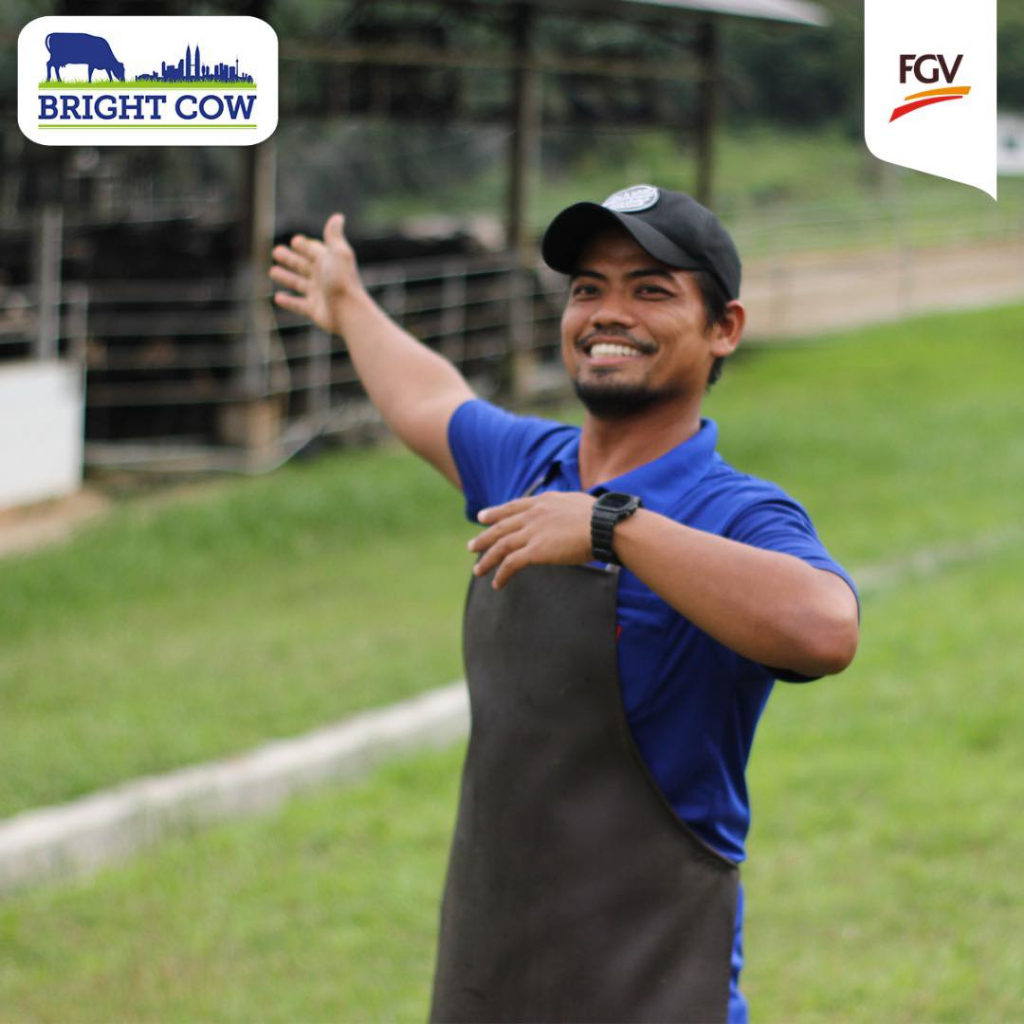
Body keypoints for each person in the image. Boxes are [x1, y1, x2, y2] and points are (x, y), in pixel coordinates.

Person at [269, 184, 860, 1024]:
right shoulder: (529, 465)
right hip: (490, 975)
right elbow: (428, 398)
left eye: (650, 290)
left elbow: (827, 627)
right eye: (588, 288)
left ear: (723, 328)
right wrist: (350, 305)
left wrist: (612, 526)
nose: (608, 313)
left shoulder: (735, 511)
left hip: (655, 989)